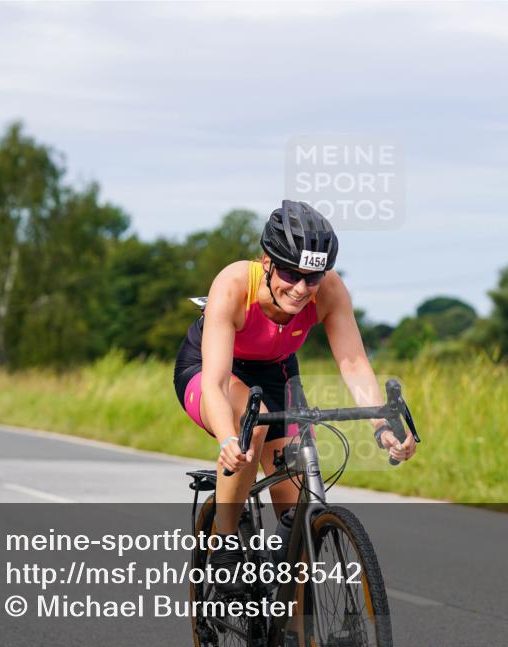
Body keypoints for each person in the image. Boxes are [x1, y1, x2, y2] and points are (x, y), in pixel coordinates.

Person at [172, 200, 416, 593]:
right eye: (290, 273)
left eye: (313, 277)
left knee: (297, 513)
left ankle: (290, 637)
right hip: (211, 369)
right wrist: (226, 439)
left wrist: (381, 425)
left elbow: (353, 362)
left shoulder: (329, 290)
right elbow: (217, 383)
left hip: (277, 373)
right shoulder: (235, 284)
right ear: (267, 262)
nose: (301, 289)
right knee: (251, 429)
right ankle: (226, 543)